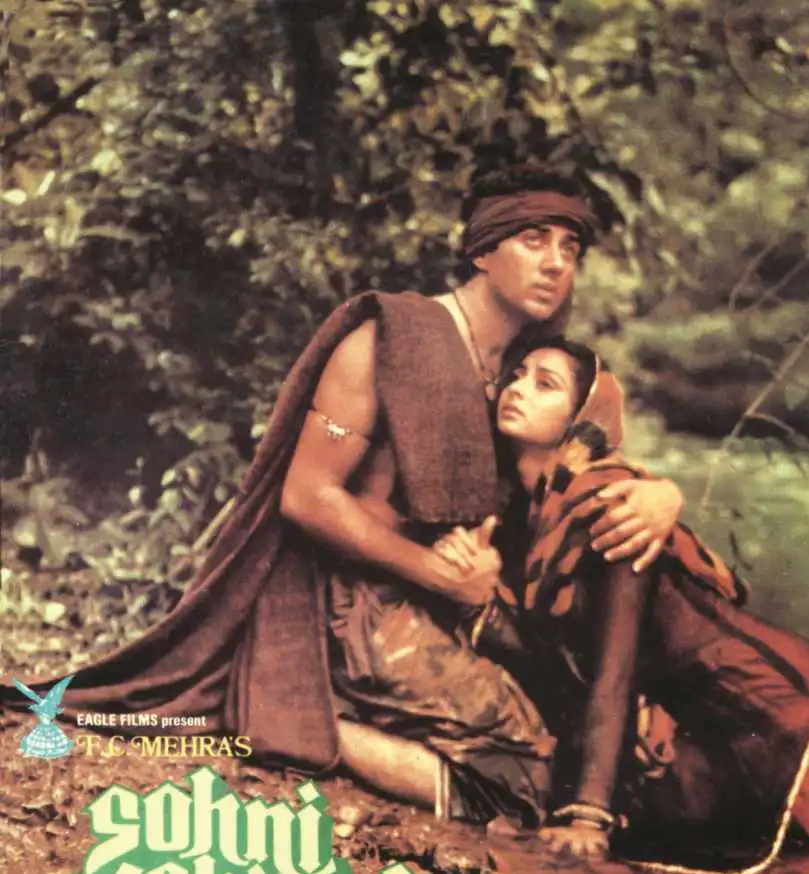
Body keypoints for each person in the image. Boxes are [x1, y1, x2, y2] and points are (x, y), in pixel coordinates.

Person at [2, 166, 684, 830]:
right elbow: (307, 495)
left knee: (595, 747)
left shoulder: (523, 372)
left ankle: (303, 712)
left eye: (570, 248)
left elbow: (584, 467)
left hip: (453, 607)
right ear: (482, 250)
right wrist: (434, 574)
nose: (556, 263)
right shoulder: (387, 338)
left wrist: (664, 496)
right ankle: (293, 718)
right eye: (533, 240)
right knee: (528, 778)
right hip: (358, 606)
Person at [446, 336, 809, 874]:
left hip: (773, 708)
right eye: (516, 375)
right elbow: (566, 661)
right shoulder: (534, 514)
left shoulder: (616, 506)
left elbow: (613, 669)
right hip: (722, 724)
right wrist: (481, 606)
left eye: (545, 384)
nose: (518, 388)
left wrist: (587, 816)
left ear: (582, 419)